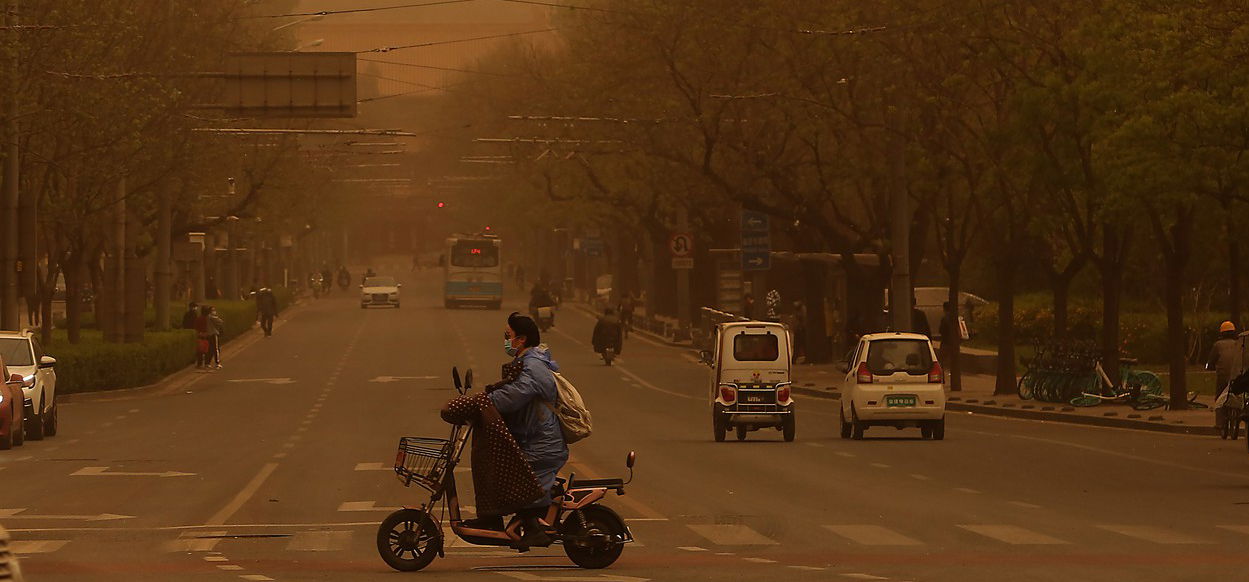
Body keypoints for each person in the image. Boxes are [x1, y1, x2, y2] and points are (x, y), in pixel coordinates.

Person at [487, 313, 567, 547]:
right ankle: (517, 521)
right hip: (534, 438)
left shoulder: (533, 366)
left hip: (543, 444)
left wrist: (485, 402)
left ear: (520, 340)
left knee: (514, 473)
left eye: (507, 335)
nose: (505, 340)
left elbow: (515, 394)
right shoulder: (529, 361)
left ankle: (533, 528)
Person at [1209, 321, 1239, 427]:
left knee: (1219, 397)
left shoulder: (1217, 345)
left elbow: (1211, 361)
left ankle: (1220, 424)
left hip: (1223, 376)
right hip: (1238, 376)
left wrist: (1209, 367)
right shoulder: (1239, 343)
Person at [194, 305, 214, 370]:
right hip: (207, 336)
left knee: (200, 351)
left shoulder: (199, 318)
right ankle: (206, 363)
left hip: (200, 336)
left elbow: (196, 327)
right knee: (208, 351)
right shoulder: (209, 319)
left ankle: (199, 364)